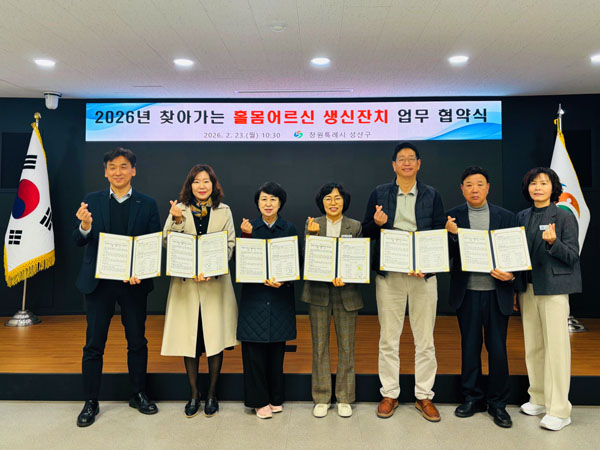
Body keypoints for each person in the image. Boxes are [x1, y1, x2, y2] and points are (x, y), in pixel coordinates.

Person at [73, 147, 161, 427]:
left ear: (133, 170)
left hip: (133, 284)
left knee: (137, 341)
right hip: (99, 284)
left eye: (124, 166)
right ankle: (91, 401)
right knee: (93, 344)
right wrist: (85, 226)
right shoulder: (91, 200)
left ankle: (138, 394)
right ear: (105, 172)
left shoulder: (147, 203)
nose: (118, 172)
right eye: (112, 167)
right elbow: (79, 240)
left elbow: (153, 243)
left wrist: (141, 271)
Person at [362, 142, 445, 422]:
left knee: (425, 339)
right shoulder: (380, 193)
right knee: (388, 337)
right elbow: (366, 231)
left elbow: (438, 233)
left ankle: (424, 395)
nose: (406, 163)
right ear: (394, 165)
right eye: (401, 159)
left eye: (411, 159)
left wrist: (428, 265)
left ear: (419, 164)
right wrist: (376, 223)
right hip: (390, 275)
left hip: (423, 275)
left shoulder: (432, 195)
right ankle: (390, 394)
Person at [160, 164, 239, 418]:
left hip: (215, 285)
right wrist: (177, 221)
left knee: (215, 341)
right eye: (196, 181)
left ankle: (212, 395)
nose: (202, 186)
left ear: (214, 185)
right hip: (186, 286)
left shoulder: (224, 210)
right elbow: (167, 242)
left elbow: (230, 245)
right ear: (190, 185)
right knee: (190, 342)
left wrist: (212, 269)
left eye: (206, 181)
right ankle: (194, 394)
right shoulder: (179, 209)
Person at [445, 166, 517, 428]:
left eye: (479, 184)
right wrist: (451, 236)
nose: (474, 189)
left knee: (498, 349)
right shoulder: (452, 217)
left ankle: (498, 403)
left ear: (488, 187)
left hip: (497, 293)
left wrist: (511, 276)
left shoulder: (506, 217)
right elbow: (444, 254)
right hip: (468, 293)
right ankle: (472, 397)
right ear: (461, 189)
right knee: (470, 347)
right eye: (469, 184)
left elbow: (516, 252)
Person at [516, 167, 581, 431]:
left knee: (556, 349)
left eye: (543, 183)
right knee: (533, 346)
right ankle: (539, 398)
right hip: (528, 289)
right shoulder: (522, 216)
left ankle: (560, 410)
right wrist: (515, 286)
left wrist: (554, 243)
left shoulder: (564, 215)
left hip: (553, 289)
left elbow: (573, 255)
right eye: (533, 183)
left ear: (553, 187)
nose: (538, 187)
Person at [301, 183, 363, 418]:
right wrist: (312, 235)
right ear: (322, 202)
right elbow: (306, 258)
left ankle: (345, 397)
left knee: (347, 346)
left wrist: (348, 276)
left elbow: (359, 259)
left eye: (337, 198)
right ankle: (322, 397)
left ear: (344, 201)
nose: (333, 202)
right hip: (318, 292)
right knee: (319, 346)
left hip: (347, 293)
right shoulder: (313, 224)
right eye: (328, 198)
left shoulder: (355, 226)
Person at [237, 182, 297, 419]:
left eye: (273, 199)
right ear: (257, 203)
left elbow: (297, 262)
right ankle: (258, 401)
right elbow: (240, 264)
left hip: (280, 297)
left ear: (280, 203)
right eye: (264, 199)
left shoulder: (289, 228)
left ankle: (275, 397)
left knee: (276, 351)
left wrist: (285, 280)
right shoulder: (249, 227)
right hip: (255, 298)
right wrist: (245, 237)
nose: (268, 204)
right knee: (254, 353)